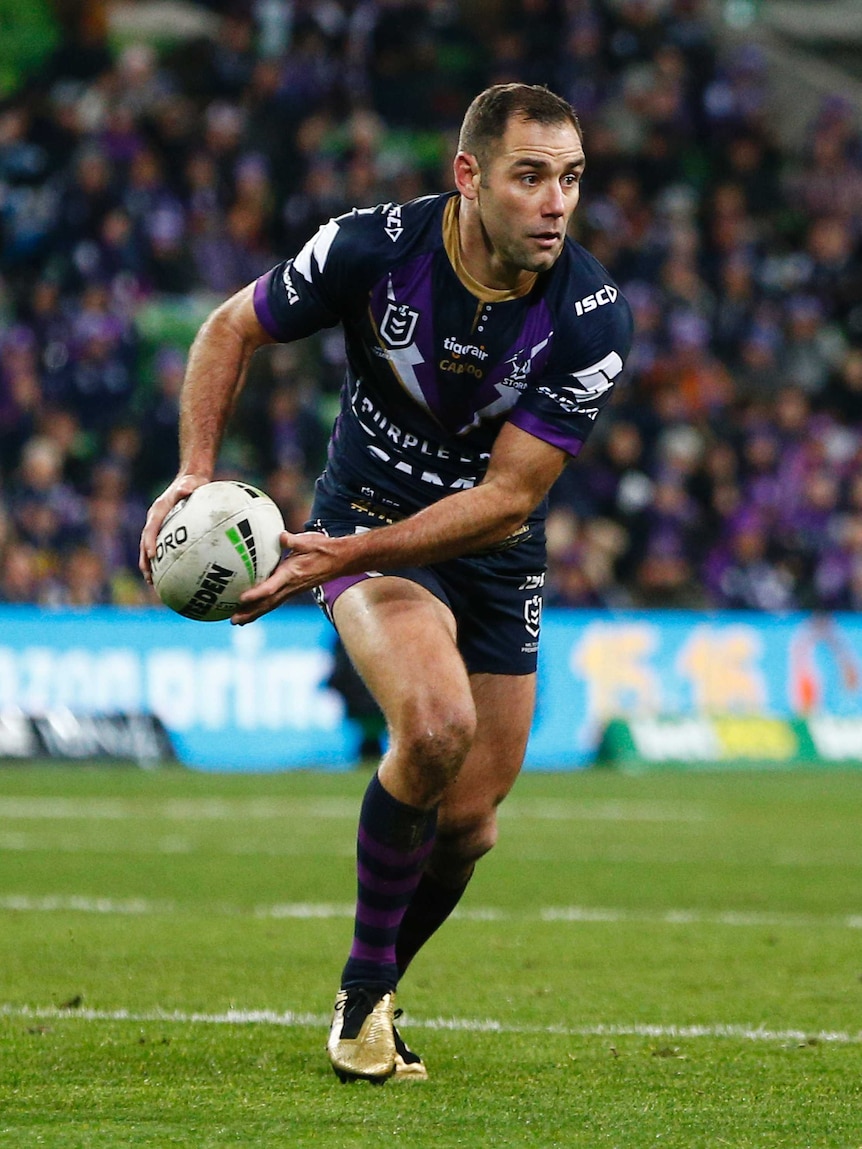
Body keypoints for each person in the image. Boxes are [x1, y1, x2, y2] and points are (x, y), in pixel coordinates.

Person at [139, 83, 633, 1083]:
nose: (554, 204)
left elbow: (504, 501)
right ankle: (364, 1006)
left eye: (570, 180)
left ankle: (371, 984)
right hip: (361, 515)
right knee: (436, 726)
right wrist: (196, 469)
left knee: (471, 825)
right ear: (469, 176)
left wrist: (339, 557)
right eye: (529, 177)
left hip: (487, 555)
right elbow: (229, 328)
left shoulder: (589, 319)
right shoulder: (371, 249)